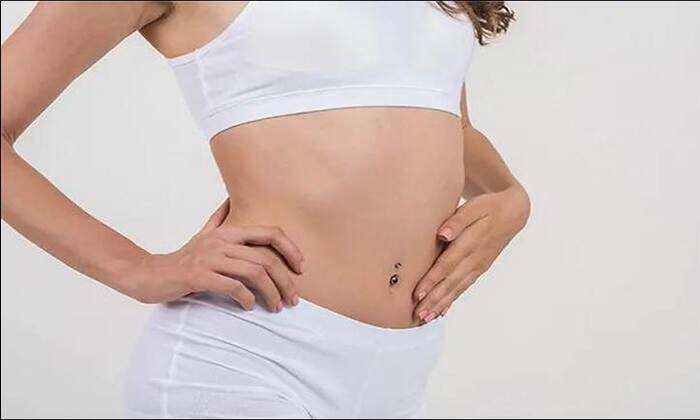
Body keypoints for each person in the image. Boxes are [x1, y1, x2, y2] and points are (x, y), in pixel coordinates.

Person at [0, 1, 530, 418]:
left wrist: (510, 197)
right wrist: (137, 269)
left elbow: (443, 116)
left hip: (402, 372)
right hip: (247, 360)